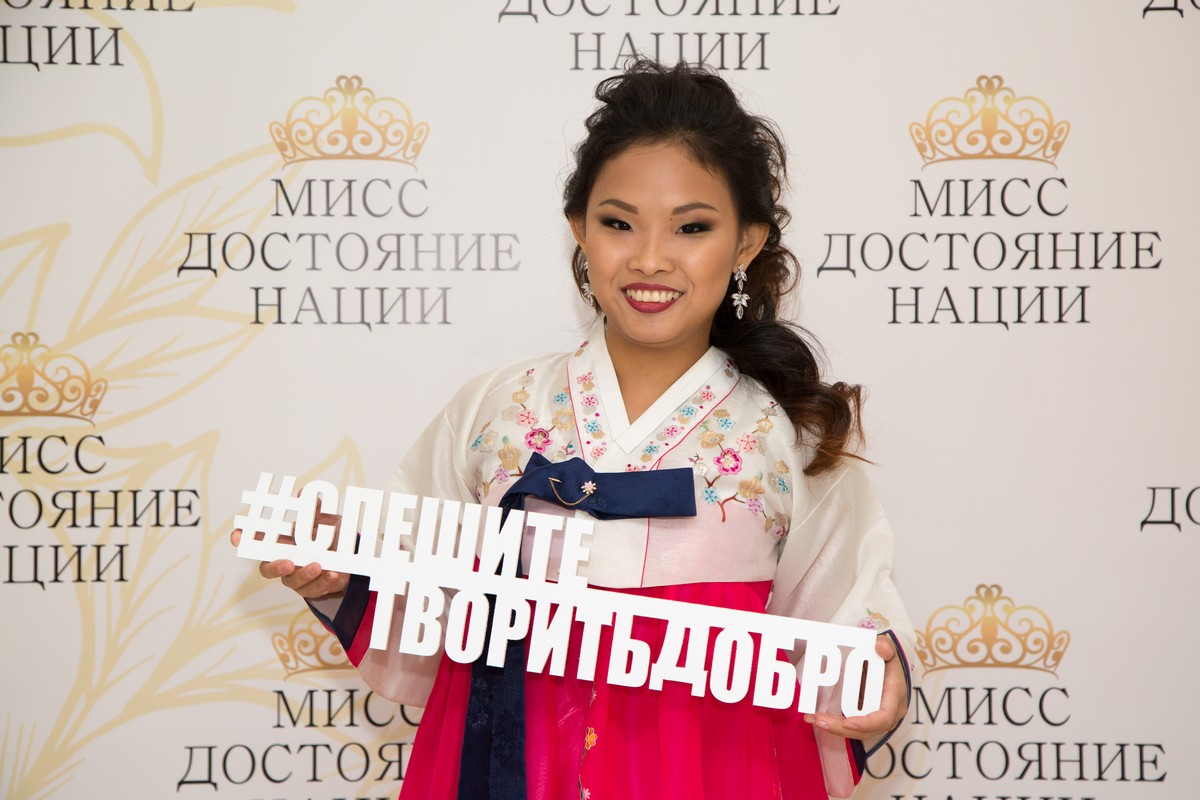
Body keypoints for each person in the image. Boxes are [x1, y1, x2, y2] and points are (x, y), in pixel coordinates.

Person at [234, 59, 913, 799]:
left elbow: (851, 614)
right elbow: (427, 607)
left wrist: (879, 671)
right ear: (578, 231)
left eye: (692, 227)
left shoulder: (788, 439)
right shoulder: (495, 412)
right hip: (510, 768)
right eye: (618, 223)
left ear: (746, 243)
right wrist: (347, 571)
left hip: (710, 766)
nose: (649, 259)